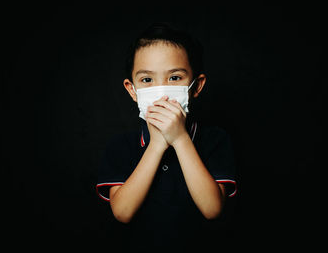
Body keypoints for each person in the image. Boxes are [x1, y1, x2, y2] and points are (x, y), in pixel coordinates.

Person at [96, 22, 237, 252]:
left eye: (174, 78)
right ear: (132, 90)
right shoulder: (120, 147)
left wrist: (180, 139)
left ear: (196, 86)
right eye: (147, 80)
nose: (161, 91)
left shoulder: (215, 140)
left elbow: (213, 209)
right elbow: (122, 212)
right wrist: (157, 145)